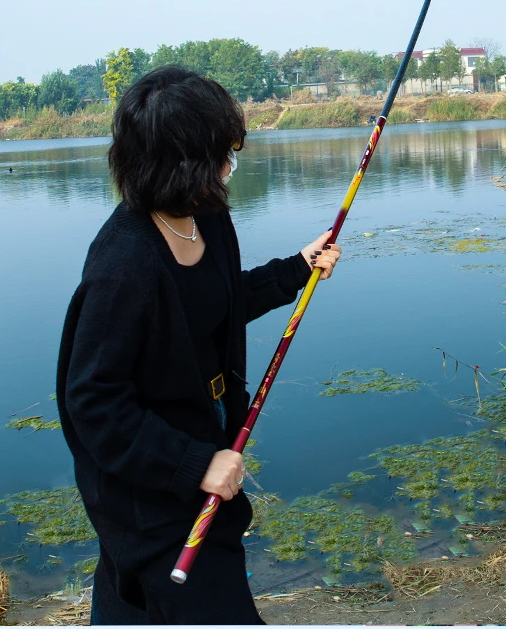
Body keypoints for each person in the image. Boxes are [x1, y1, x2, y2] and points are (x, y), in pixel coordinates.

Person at [56, 66, 341, 625]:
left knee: (132, 606)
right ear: (178, 160)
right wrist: (195, 465)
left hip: (200, 450)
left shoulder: (205, 218)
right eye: (220, 152)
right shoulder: (123, 267)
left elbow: (215, 304)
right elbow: (92, 401)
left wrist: (295, 271)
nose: (230, 164)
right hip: (147, 491)